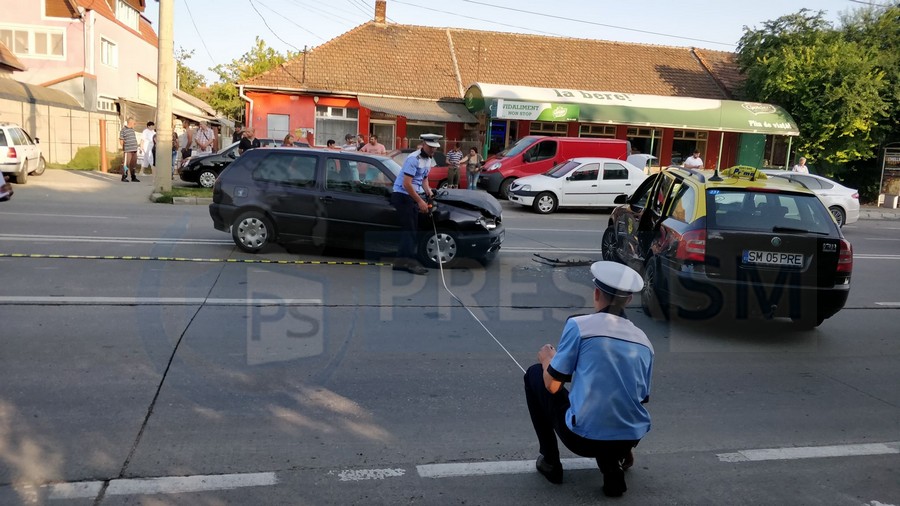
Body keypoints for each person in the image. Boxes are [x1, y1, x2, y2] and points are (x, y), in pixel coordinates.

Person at [524, 260, 653, 498]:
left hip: (583, 440)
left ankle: (550, 462)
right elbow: (639, 398)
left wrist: (547, 359)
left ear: (595, 293)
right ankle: (612, 466)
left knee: (534, 374)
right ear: (629, 300)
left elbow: (552, 386)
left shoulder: (580, 326)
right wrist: (625, 446)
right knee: (603, 404)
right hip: (629, 438)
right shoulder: (644, 341)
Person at [390, 134, 440, 275]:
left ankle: (401, 262)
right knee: (410, 231)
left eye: (434, 148)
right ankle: (407, 263)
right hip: (402, 195)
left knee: (413, 230)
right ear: (423, 144)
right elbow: (407, 184)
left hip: (412, 194)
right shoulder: (413, 159)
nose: (432, 151)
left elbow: (424, 179)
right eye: (430, 147)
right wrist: (420, 201)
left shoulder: (429, 159)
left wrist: (429, 193)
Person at [118, 116, 140, 182]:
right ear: (130, 122)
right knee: (126, 164)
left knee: (133, 164)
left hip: (134, 150)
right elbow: (121, 140)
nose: (135, 124)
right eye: (134, 123)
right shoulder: (123, 130)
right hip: (128, 150)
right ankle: (124, 177)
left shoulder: (132, 129)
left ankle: (133, 177)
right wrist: (124, 147)